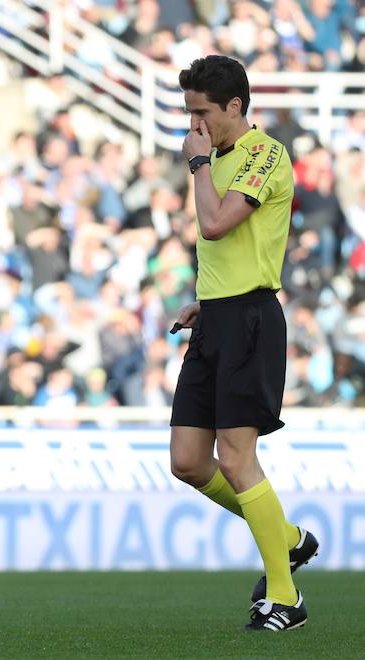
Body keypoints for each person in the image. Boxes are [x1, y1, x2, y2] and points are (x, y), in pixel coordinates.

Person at [170, 55, 317, 632]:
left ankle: (286, 596)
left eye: (202, 113)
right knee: (187, 461)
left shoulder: (265, 154)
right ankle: (286, 539)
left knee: (235, 458)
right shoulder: (218, 156)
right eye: (189, 114)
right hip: (218, 319)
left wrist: (200, 165)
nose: (194, 125)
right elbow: (228, 248)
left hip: (252, 322)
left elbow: (216, 225)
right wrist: (206, 301)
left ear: (235, 105)